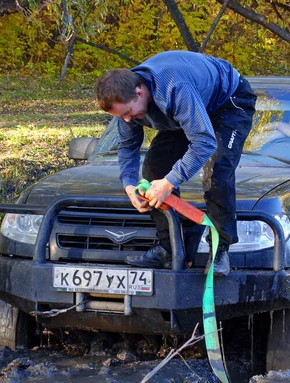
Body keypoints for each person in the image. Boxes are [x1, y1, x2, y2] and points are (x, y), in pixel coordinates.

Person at [95, 51, 256, 276]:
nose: (127, 120)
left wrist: (169, 182)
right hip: (187, 110)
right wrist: (129, 185)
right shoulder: (126, 101)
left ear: (139, 91)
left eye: (129, 113)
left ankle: (220, 250)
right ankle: (169, 247)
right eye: (121, 116)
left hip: (227, 101)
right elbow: (128, 146)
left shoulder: (174, 88)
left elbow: (204, 143)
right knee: (154, 168)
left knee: (218, 171)